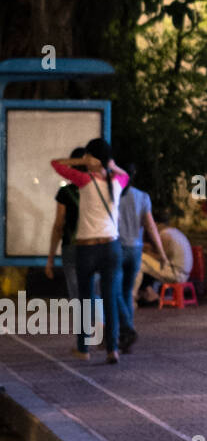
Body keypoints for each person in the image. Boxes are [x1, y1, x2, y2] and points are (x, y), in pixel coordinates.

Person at [51, 139, 128, 364]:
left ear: (92, 158)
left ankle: (83, 348)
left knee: (85, 300)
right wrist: (109, 164)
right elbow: (125, 174)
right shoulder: (118, 182)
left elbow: (56, 164)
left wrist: (82, 161)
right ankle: (112, 349)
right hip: (111, 247)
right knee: (110, 298)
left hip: (87, 248)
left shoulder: (84, 180)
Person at [115, 167, 165, 353]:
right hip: (135, 250)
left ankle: (126, 329)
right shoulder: (143, 197)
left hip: (117, 248)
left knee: (115, 291)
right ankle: (127, 332)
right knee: (127, 292)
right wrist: (161, 252)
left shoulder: (112, 195)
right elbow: (150, 227)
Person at [44, 145, 85, 302]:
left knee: (76, 292)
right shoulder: (98, 188)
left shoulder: (65, 192)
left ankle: (81, 326)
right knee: (94, 290)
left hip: (71, 246)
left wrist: (51, 258)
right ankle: (100, 323)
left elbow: (59, 225)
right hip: (95, 245)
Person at [138, 206, 194, 303]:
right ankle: (148, 292)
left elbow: (160, 258)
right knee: (144, 262)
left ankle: (138, 296)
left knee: (139, 260)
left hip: (176, 274)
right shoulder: (174, 232)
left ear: (155, 223)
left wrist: (144, 251)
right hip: (182, 273)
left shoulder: (164, 235)